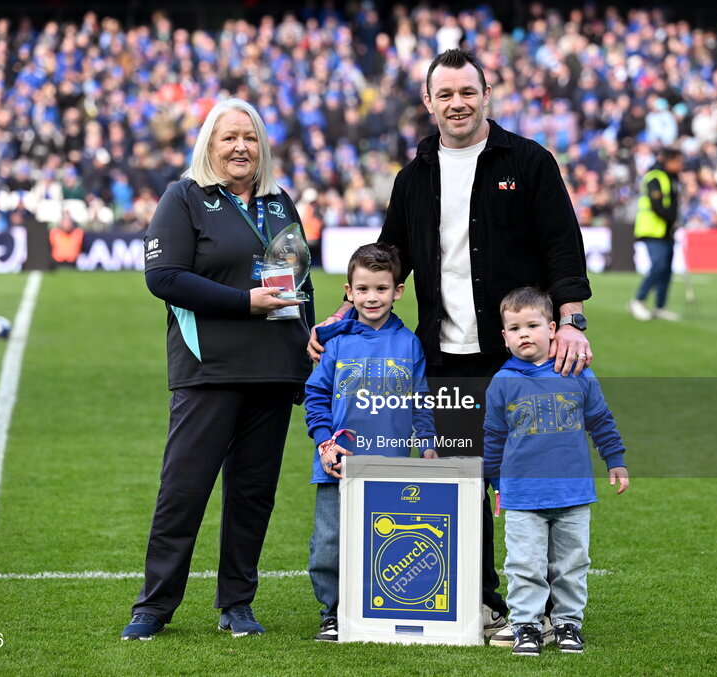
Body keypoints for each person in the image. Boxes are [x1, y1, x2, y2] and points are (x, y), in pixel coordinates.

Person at [307, 49, 593, 640]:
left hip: (520, 359)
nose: (457, 104)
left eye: (468, 92)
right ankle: (484, 602)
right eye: (446, 95)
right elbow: (389, 257)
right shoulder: (414, 176)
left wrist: (571, 322)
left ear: (486, 95)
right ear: (429, 103)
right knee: (465, 480)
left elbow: (563, 245)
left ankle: (535, 610)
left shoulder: (530, 162)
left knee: (523, 483)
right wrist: (342, 311)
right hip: (444, 360)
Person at [122, 99, 314, 641]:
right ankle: (154, 606)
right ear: (209, 143)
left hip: (274, 370)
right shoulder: (184, 197)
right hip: (208, 368)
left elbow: (300, 287)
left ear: (262, 148)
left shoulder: (280, 203)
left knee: (253, 495)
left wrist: (309, 349)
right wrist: (243, 302)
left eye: (250, 138)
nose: (240, 148)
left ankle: (237, 602)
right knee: (183, 490)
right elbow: (164, 277)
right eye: (229, 137)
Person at [483, 287, 629, 656]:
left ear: (552, 328)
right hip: (522, 497)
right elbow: (494, 436)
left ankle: (567, 624)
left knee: (571, 565)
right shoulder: (501, 382)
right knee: (523, 565)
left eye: (532, 325)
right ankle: (526, 626)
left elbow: (600, 419)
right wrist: (496, 483)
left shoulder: (577, 372)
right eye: (515, 328)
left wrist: (615, 459)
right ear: (504, 337)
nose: (524, 334)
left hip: (572, 493)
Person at [303, 243, 437, 642]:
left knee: (388, 541)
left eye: (380, 288)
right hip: (338, 464)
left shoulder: (409, 343)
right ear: (349, 291)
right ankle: (332, 611)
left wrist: (427, 442)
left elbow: (421, 399)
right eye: (362, 289)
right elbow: (315, 397)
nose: (371, 297)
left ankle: (380, 606)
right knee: (329, 545)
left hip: (392, 465)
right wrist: (325, 442)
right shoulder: (336, 342)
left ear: (398, 291)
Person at [628, 148, 684, 322]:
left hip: (666, 230)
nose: (680, 165)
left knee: (666, 269)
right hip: (653, 229)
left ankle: (660, 306)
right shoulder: (654, 176)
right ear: (669, 160)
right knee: (659, 266)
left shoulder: (672, 178)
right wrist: (672, 219)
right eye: (678, 161)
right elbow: (657, 205)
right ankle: (638, 300)